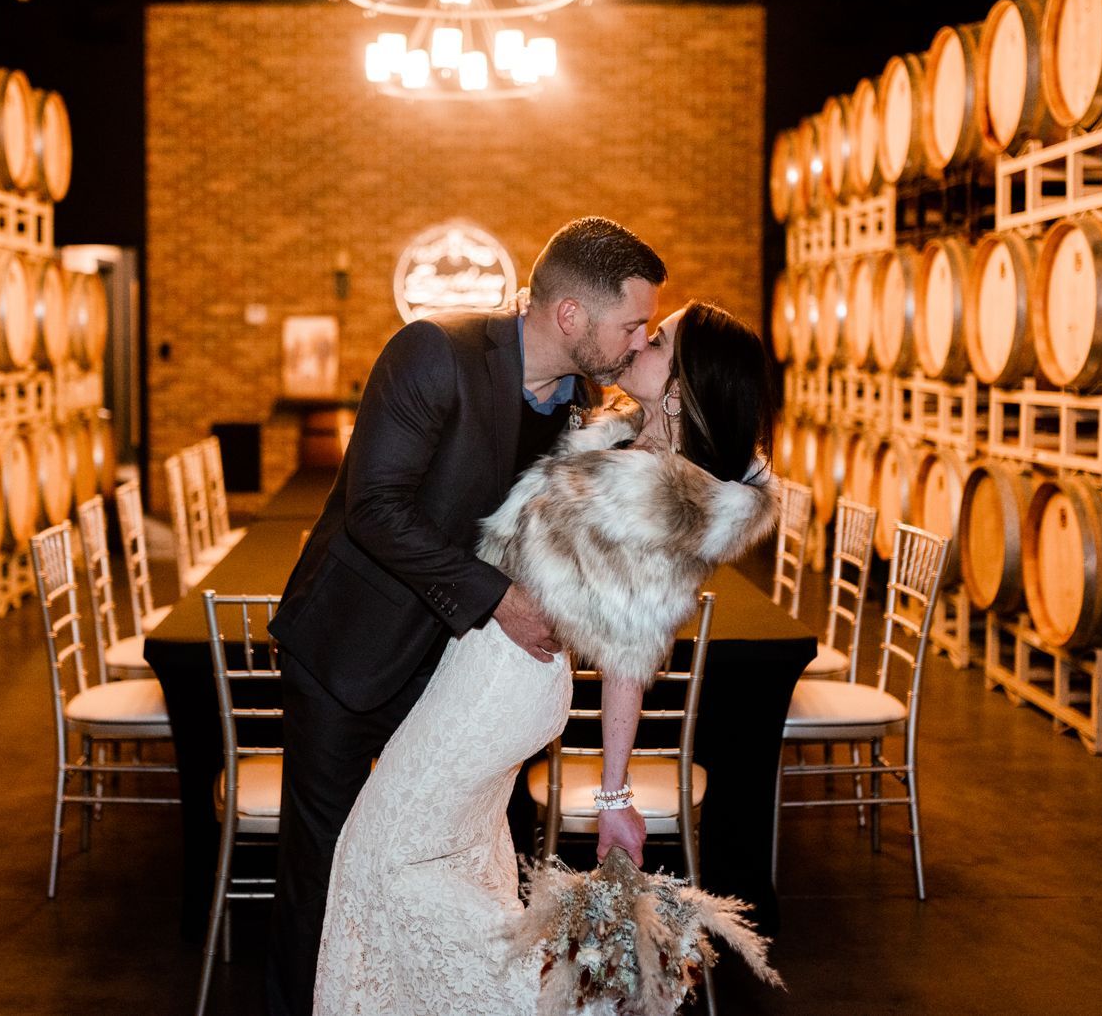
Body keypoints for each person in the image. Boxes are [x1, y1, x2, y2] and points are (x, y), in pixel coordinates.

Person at [312, 300, 781, 1016]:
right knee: (458, 861)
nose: (639, 343)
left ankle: (555, 1002)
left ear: (682, 388)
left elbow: (630, 654)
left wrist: (615, 795)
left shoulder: (657, 493)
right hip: (494, 675)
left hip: (498, 688)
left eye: (656, 340)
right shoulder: (627, 443)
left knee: (380, 859)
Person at [265, 217, 669, 1016]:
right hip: (351, 652)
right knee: (326, 866)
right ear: (570, 317)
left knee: (476, 863)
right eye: (632, 324)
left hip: (459, 677)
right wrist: (500, 600)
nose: (639, 340)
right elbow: (375, 508)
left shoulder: (588, 410)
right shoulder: (434, 353)